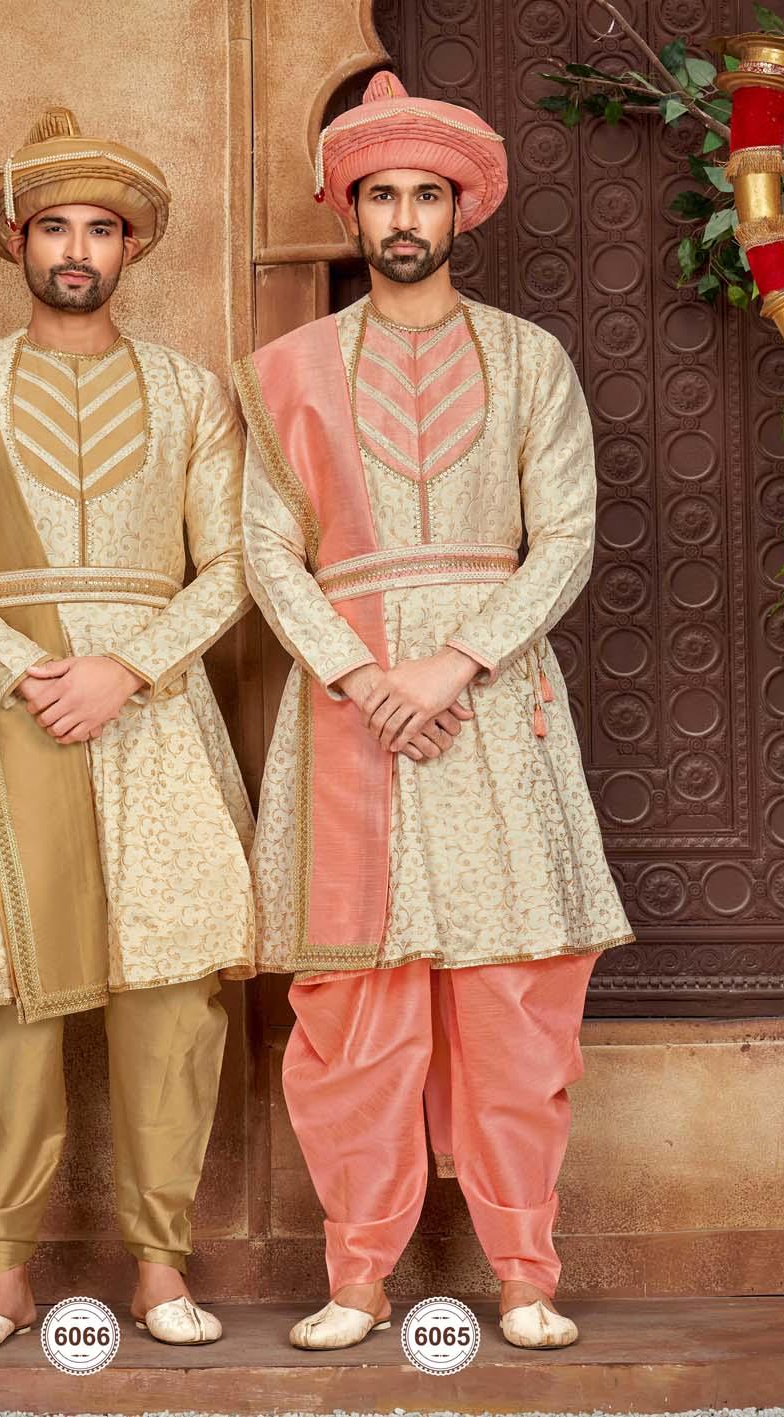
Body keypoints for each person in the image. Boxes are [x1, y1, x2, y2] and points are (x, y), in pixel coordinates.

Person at [234, 70, 634, 1353]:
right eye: (379, 196)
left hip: (490, 702)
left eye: (424, 194)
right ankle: (356, 1277)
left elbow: (563, 541)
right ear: (349, 213)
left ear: (462, 210)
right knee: (355, 1002)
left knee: (513, 997)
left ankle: (525, 1272)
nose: (402, 216)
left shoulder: (530, 360)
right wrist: (362, 678)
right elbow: (263, 551)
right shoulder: (287, 372)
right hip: (350, 717)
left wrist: (450, 663)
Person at [0, 106, 254, 1352]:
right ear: (16, 242)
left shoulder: (191, 392)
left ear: (131, 247)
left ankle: (158, 1264)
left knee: (168, 995)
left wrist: (126, 668)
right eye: (53, 226)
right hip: (3, 716)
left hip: (149, 721)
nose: (76, 247)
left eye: (100, 227)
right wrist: (27, 667)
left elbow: (235, 562)